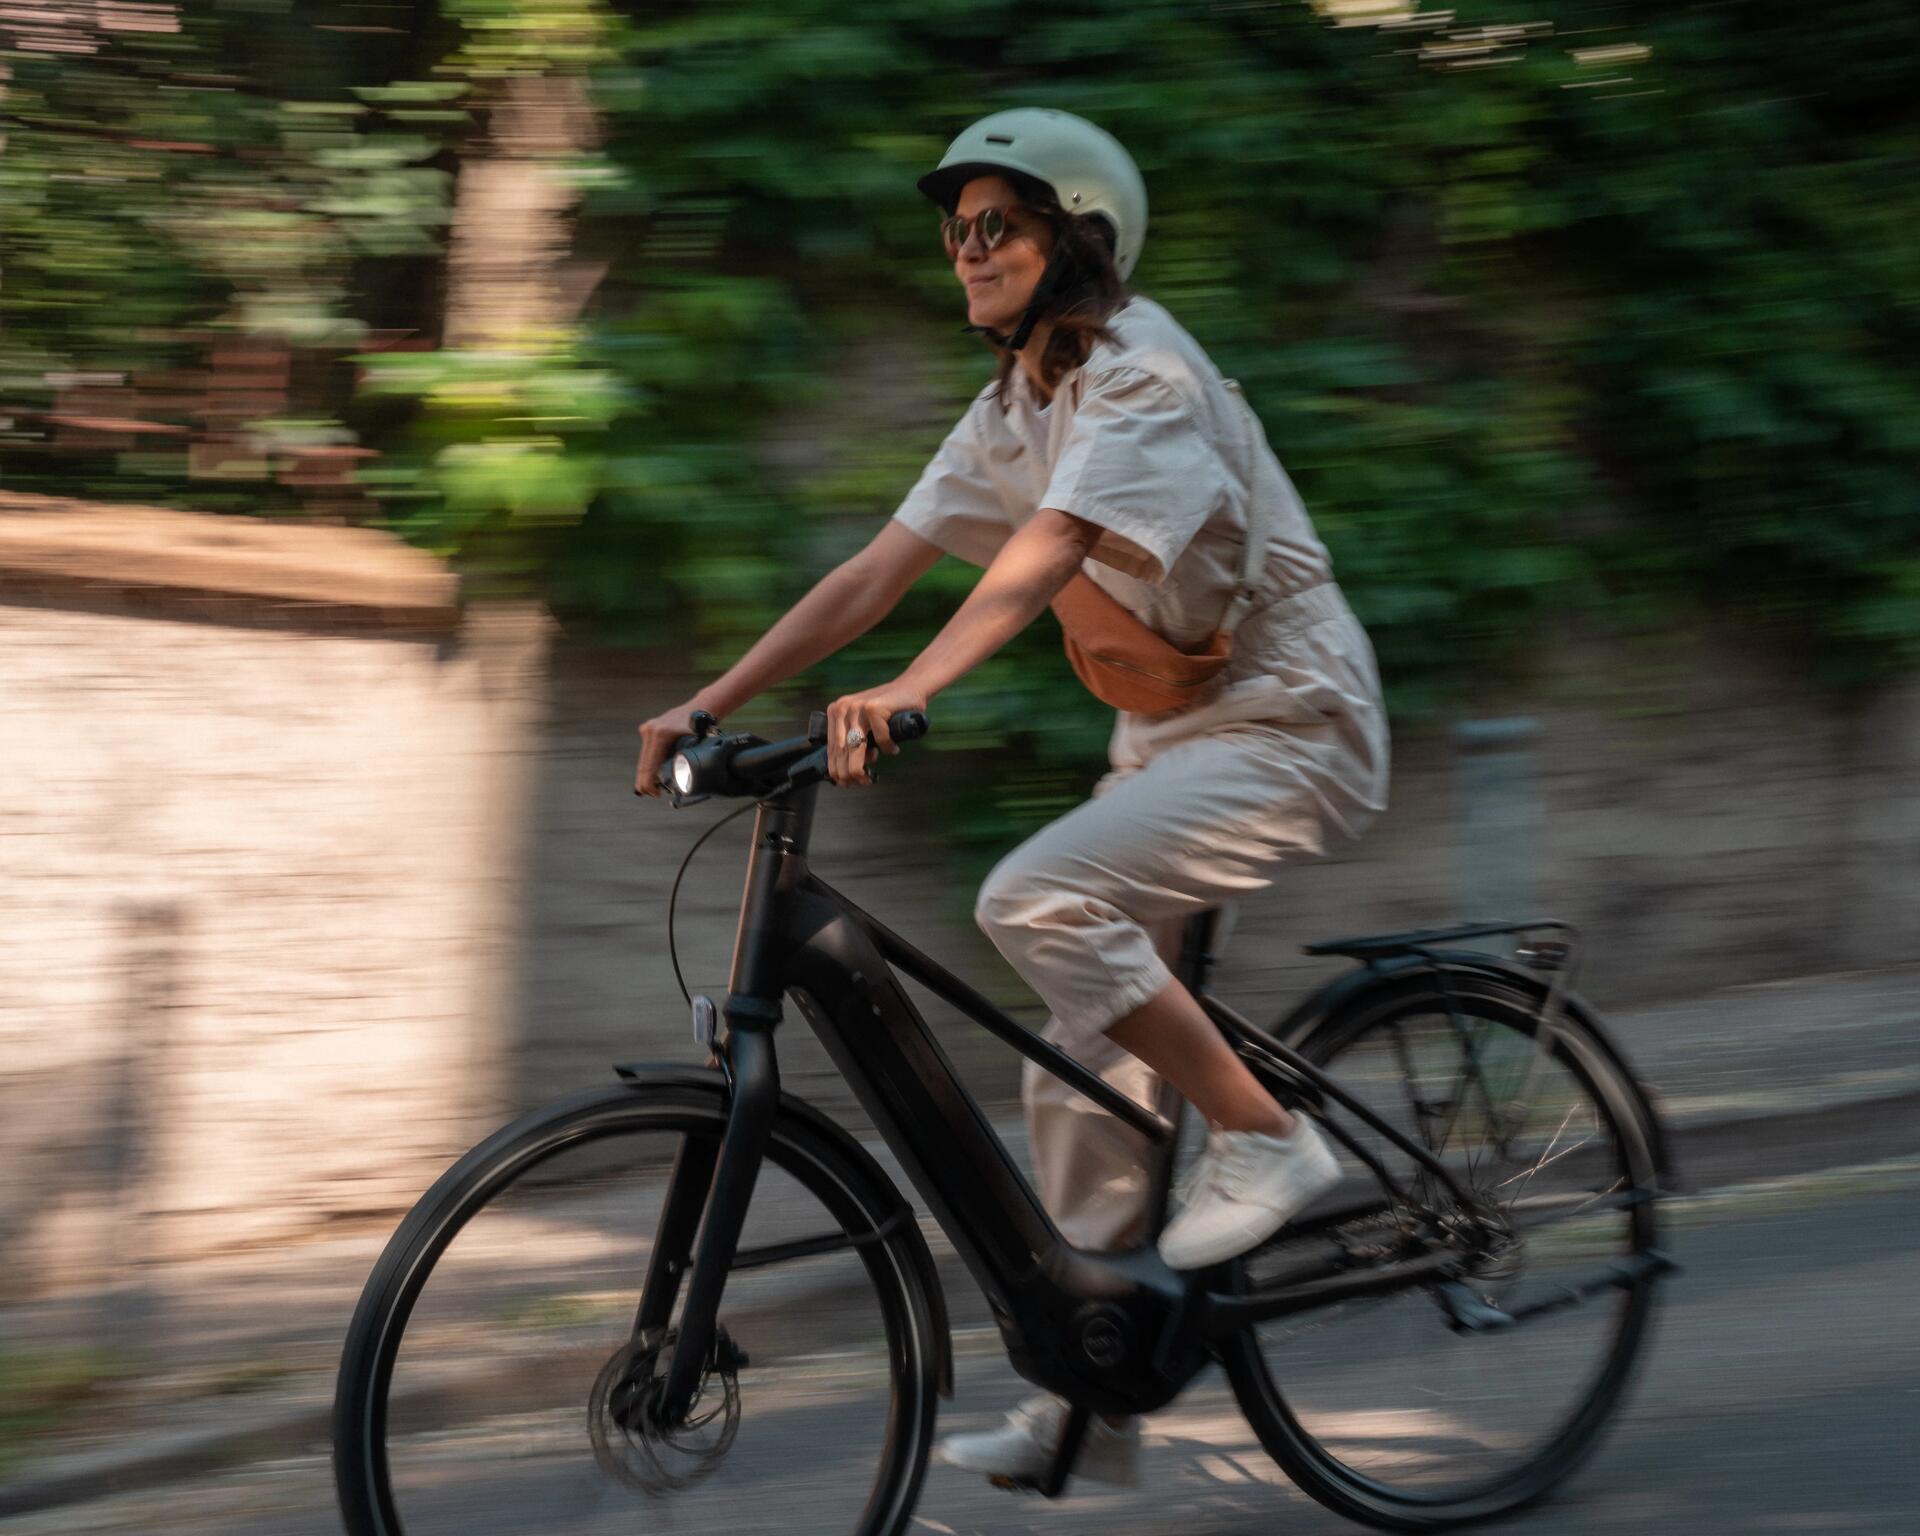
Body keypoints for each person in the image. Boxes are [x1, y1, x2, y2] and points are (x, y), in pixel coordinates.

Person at [635, 107, 1389, 1488]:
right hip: (1171, 738)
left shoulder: (1145, 374)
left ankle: (1268, 1141)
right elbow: (879, 568)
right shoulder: (1020, 404)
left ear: (1078, 240)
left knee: (1034, 897)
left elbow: (1050, 551)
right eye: (955, 228)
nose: (965, 249)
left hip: (1294, 722)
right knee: (1083, 1068)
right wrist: (713, 701)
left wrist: (910, 690)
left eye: (999, 225)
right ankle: (1091, 1393)